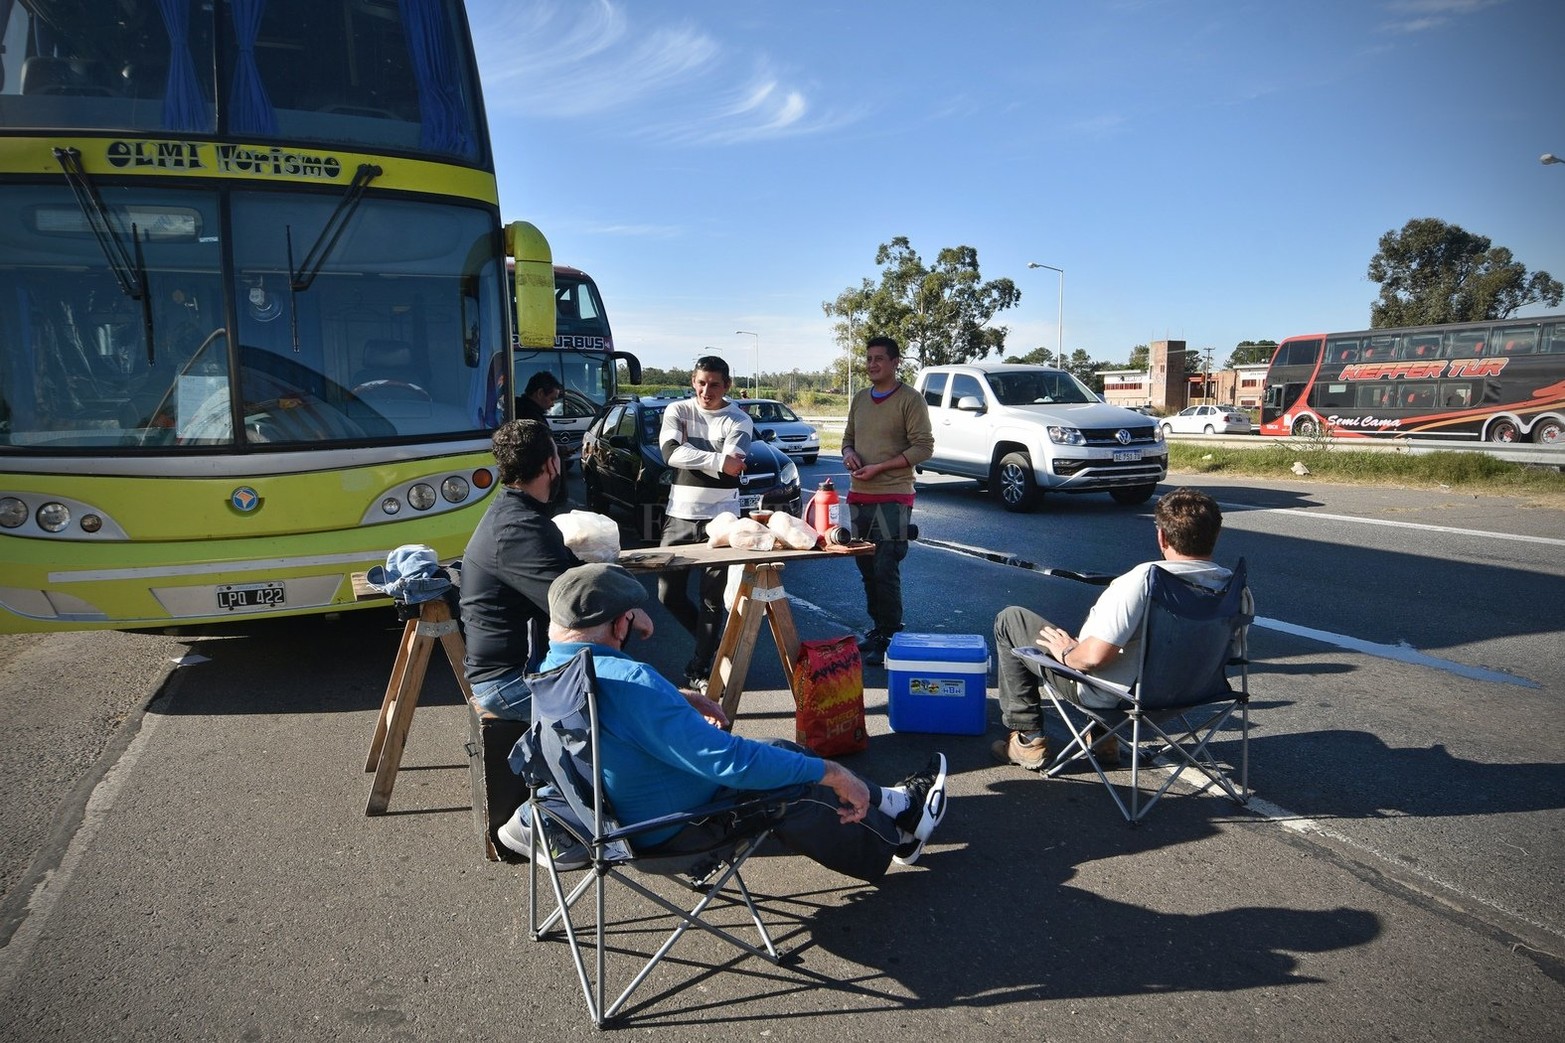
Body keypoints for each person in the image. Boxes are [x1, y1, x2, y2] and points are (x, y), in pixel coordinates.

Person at [496, 562, 949, 880]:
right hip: (669, 833)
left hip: (601, 818)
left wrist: (674, 697)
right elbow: (730, 763)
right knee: (795, 780)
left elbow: (612, 703)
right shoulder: (630, 679)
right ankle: (895, 840)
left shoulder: (551, 669)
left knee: (781, 755)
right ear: (617, 626)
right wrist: (833, 772)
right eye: (632, 621)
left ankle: (896, 806)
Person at [991, 487, 1249, 770]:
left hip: (1125, 702)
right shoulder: (1235, 589)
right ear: (1217, 534)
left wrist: (1066, 653)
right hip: (1190, 697)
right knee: (1124, 647)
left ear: (1161, 536)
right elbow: (1231, 654)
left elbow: (1092, 659)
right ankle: (1103, 740)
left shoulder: (1145, 581)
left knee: (1011, 619)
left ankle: (1028, 739)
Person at [460, 418, 650, 721]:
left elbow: (570, 572)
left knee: (640, 692)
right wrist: (628, 609)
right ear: (552, 464)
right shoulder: (520, 527)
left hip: (519, 668)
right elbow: (573, 603)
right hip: (509, 682)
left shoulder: (515, 514)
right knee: (636, 713)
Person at [657, 355, 753, 692]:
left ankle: (700, 665)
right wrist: (716, 459)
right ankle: (711, 643)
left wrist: (700, 456)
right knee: (668, 594)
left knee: (712, 599)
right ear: (693, 382)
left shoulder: (738, 419)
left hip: (721, 522)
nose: (706, 390)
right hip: (679, 517)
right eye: (701, 383)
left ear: (727, 385)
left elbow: (735, 465)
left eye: (714, 384)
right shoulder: (678, 411)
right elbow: (670, 453)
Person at [841, 335, 934, 666]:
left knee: (885, 567)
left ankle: (892, 634)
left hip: (893, 497)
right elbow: (847, 440)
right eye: (868, 358)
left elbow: (924, 447)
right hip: (858, 496)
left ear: (896, 363)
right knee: (866, 567)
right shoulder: (860, 398)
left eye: (879, 359)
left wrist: (881, 467)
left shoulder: (911, 400)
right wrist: (849, 454)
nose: (872, 364)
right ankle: (878, 631)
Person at [515, 371, 570, 505]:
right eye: (552, 399)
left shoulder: (527, 411)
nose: (552, 405)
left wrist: (558, 449)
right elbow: (536, 451)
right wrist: (557, 451)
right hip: (538, 489)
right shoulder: (529, 417)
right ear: (540, 393)